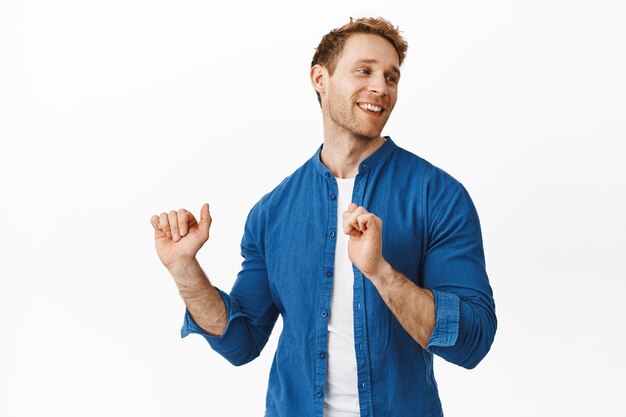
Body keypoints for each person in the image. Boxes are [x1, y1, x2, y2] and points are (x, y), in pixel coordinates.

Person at [150, 17, 497, 417]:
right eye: (364, 71)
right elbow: (241, 342)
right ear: (320, 77)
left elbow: (473, 342)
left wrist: (381, 272)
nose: (381, 88)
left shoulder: (437, 196)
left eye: (391, 77)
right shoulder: (272, 212)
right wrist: (184, 269)